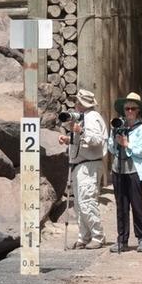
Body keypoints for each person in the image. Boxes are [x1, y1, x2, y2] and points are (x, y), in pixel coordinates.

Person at [58, 89, 108, 250]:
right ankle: (84, 236)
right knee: (80, 204)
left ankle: (98, 236)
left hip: (89, 165)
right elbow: (84, 142)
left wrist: (81, 131)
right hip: (81, 164)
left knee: (87, 201)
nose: (76, 104)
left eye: (78, 102)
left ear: (84, 104)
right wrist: (69, 139)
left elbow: (96, 140)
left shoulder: (92, 117)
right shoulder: (84, 117)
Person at [108, 92, 142, 253]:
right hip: (119, 169)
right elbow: (110, 148)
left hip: (136, 171)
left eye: (133, 108)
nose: (130, 112)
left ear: (138, 110)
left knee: (137, 205)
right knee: (121, 206)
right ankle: (122, 240)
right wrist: (116, 139)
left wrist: (127, 144)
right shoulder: (118, 125)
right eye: (127, 109)